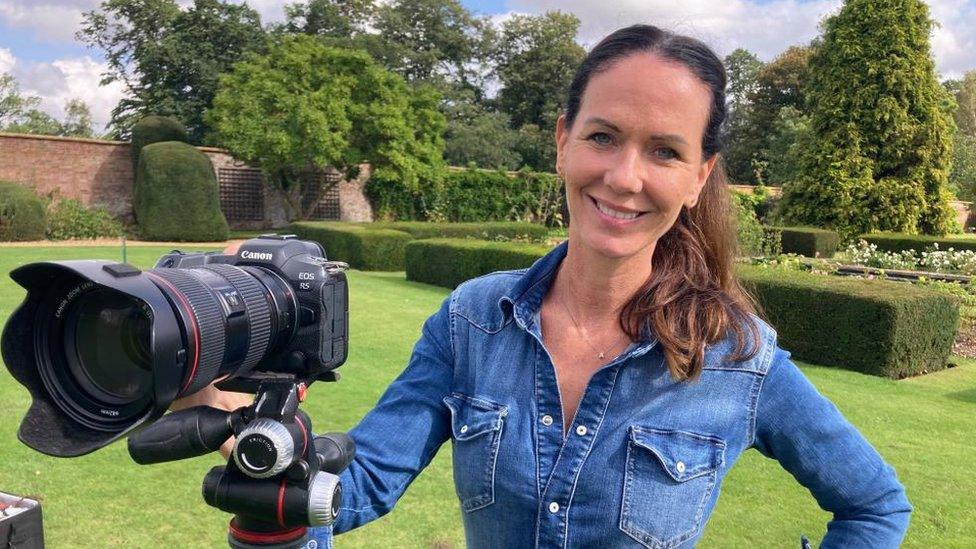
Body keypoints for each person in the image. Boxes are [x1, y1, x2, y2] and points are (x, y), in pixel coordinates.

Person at [195, 24, 912, 548]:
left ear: (698, 178)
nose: (625, 177)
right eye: (603, 136)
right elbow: (361, 483)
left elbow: (875, 506)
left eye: (664, 151)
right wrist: (268, 459)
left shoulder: (738, 357)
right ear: (563, 141)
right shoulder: (472, 320)